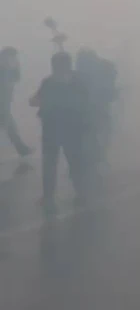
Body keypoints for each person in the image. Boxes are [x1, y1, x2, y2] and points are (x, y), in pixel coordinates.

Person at [31, 51, 90, 210]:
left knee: (59, 163)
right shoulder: (73, 81)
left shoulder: (55, 82)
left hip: (59, 129)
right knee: (70, 162)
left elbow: (35, 100)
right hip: (64, 129)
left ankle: (57, 195)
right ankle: (76, 193)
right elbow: (35, 99)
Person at [0, 47, 32, 159]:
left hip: (5, 104)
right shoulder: (2, 69)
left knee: (10, 126)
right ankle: (21, 148)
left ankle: (21, 148)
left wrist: (16, 66)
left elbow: (16, 78)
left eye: (14, 57)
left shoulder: (9, 69)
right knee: (9, 125)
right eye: (11, 56)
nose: (13, 59)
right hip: (2, 104)